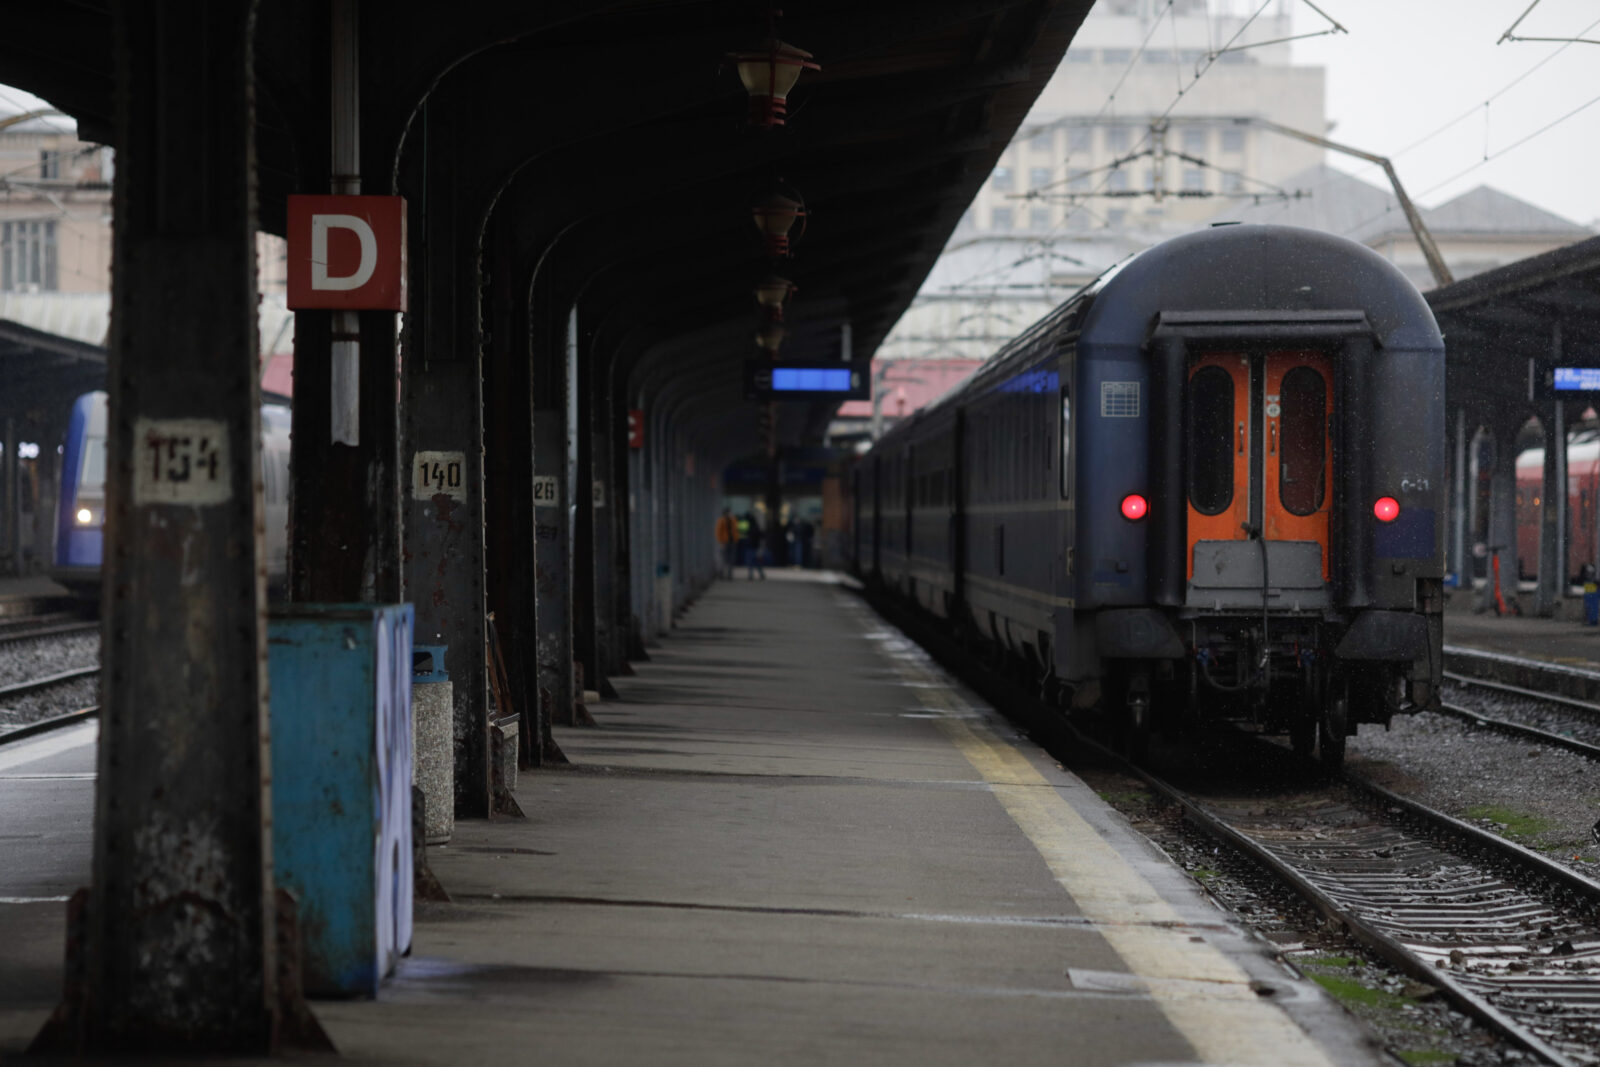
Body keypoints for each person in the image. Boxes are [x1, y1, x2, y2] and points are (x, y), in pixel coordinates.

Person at [714, 507, 738, 579]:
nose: (730, 514)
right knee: (724, 559)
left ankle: (729, 575)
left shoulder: (733, 520)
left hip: (732, 541)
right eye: (728, 513)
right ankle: (721, 574)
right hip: (725, 542)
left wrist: (736, 539)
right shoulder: (721, 520)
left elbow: (735, 530)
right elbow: (718, 532)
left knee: (731, 559)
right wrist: (721, 542)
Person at [743, 511, 766, 580]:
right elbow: (762, 535)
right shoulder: (756, 526)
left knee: (750, 562)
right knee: (757, 562)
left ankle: (751, 575)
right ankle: (761, 574)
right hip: (755, 546)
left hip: (751, 546)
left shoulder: (749, 527)